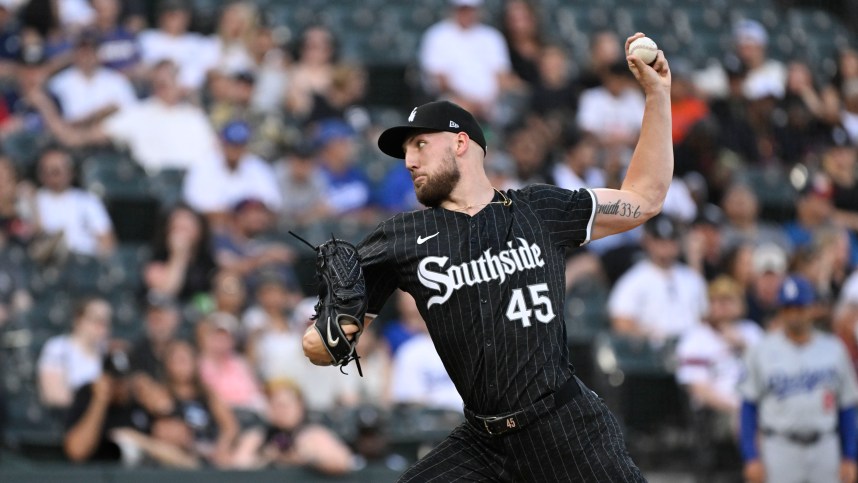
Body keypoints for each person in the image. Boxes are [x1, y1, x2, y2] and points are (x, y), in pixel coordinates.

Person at [303, 33, 672, 481]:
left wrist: (656, 94)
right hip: (483, 442)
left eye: (420, 144)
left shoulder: (540, 210)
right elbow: (319, 347)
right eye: (404, 152)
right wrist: (335, 327)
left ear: (460, 143)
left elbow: (645, 198)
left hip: (567, 429)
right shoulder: (400, 238)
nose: (408, 161)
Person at [739, 275, 858, 483]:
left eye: (799, 308)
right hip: (779, 446)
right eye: (788, 308)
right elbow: (748, 407)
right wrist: (751, 457)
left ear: (811, 308)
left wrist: (850, 455)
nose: (794, 315)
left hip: (825, 445)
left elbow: (847, 407)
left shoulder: (834, 349)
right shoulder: (760, 351)